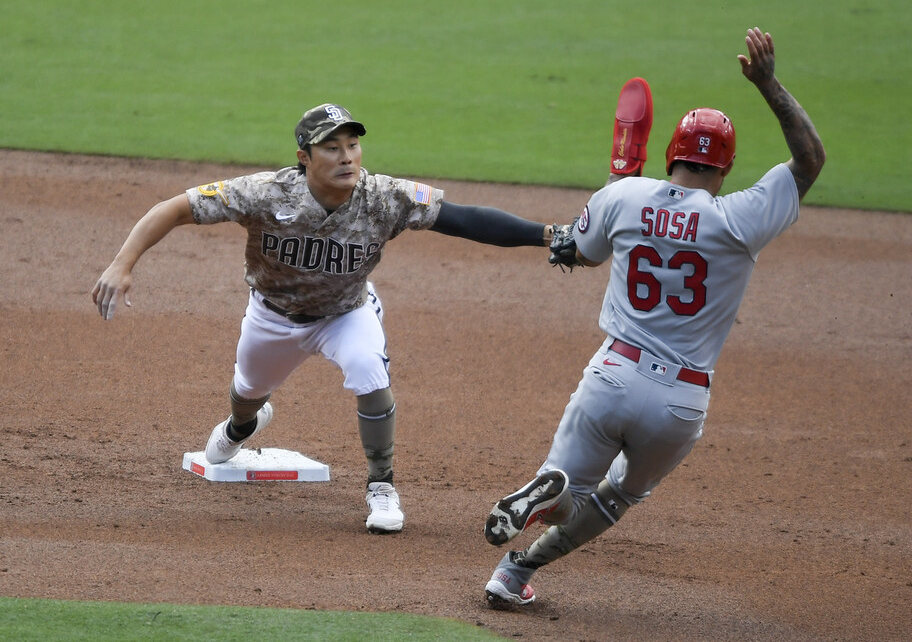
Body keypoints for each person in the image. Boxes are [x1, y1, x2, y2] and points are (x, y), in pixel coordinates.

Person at [92, 102, 562, 534]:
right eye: (331, 148)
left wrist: (548, 235)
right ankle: (242, 428)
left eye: (353, 145)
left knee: (368, 369)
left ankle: (382, 485)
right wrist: (122, 263)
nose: (347, 157)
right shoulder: (263, 192)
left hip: (346, 312)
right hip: (273, 316)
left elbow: (464, 219)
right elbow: (176, 208)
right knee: (247, 394)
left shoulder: (384, 197)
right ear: (304, 156)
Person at [482, 27, 825, 606]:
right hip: (680, 402)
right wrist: (767, 84)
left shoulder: (624, 197)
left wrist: (609, 198)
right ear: (726, 169)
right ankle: (516, 574)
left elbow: (575, 251)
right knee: (615, 500)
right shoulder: (739, 219)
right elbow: (809, 160)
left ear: (672, 155)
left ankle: (546, 500)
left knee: (571, 487)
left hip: (612, 376)